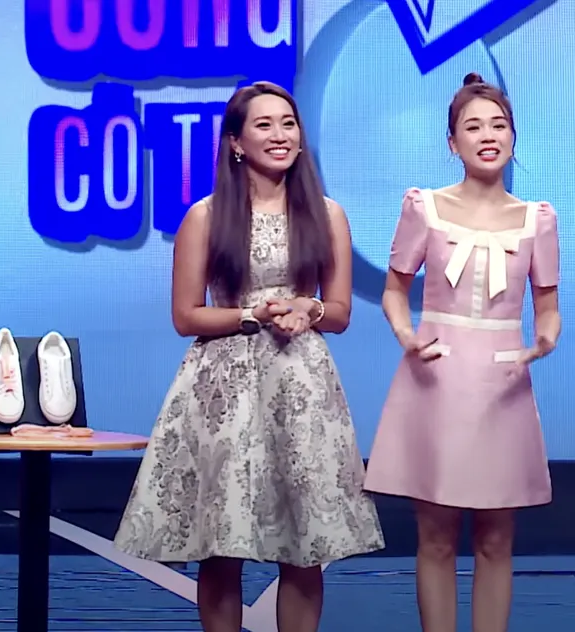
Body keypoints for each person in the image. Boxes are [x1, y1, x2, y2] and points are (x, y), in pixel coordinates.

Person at [114, 81, 385, 632]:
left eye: (288, 123)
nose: (280, 135)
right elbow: (186, 316)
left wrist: (307, 308)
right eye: (264, 125)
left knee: (305, 546)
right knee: (221, 544)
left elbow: (339, 312)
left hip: (300, 385)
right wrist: (250, 315)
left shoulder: (327, 215)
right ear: (236, 142)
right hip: (224, 388)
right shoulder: (206, 216)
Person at [363, 72, 561, 632]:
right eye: (473, 127)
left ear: (513, 136)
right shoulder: (424, 207)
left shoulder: (538, 219)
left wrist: (545, 339)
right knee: (436, 534)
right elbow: (394, 291)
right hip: (436, 377)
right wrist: (407, 335)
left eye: (498, 125)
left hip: (503, 382)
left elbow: (548, 307)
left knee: (497, 537)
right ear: (453, 143)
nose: (488, 136)